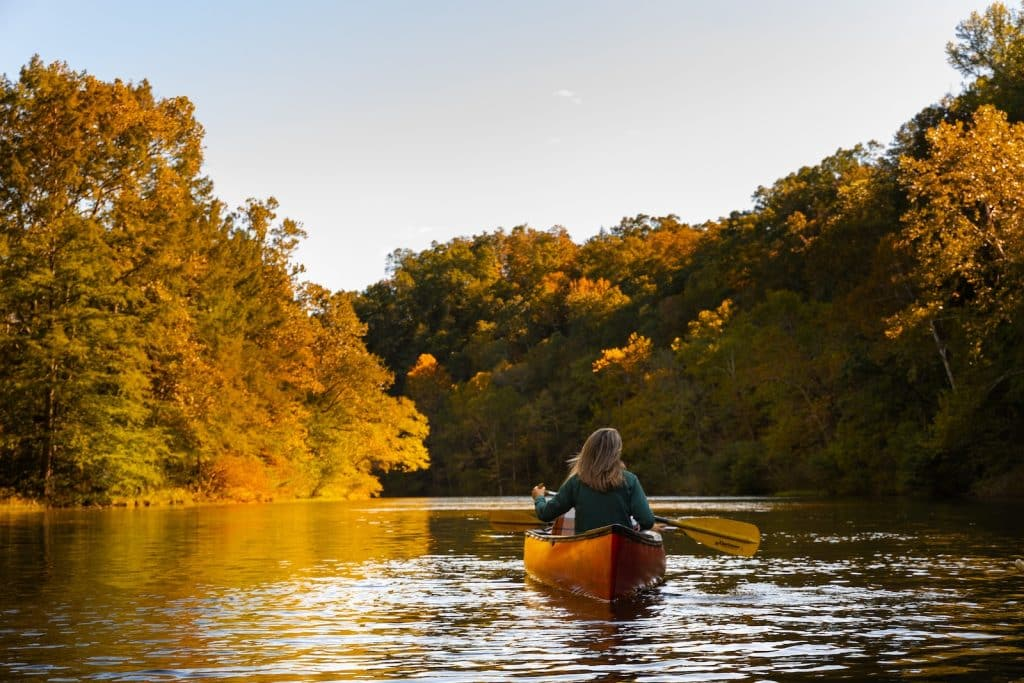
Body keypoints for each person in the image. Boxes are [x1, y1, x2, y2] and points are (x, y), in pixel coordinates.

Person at [531, 427, 655, 534]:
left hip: (586, 546)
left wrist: (539, 498)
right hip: (623, 543)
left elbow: (545, 514)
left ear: (588, 451)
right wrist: (636, 527)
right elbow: (647, 521)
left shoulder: (576, 482)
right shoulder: (630, 480)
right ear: (617, 452)